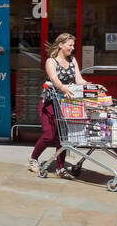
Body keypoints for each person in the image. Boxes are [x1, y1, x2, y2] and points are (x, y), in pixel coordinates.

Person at [29, 32, 80, 178]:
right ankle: (33, 158)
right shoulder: (51, 61)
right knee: (49, 135)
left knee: (62, 136)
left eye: (73, 45)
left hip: (65, 104)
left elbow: (79, 79)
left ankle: (60, 167)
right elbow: (54, 79)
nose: (72, 48)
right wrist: (63, 88)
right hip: (49, 102)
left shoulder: (73, 60)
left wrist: (92, 86)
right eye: (70, 45)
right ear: (61, 45)